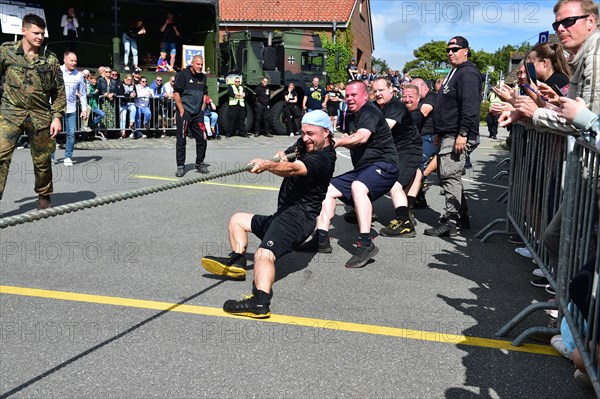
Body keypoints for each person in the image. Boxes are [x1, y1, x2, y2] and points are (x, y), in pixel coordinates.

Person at [200, 110, 336, 318]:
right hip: (282, 215)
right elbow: (288, 155)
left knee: (263, 254)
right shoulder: (305, 143)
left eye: (311, 134)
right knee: (237, 220)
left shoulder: (324, 158)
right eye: (303, 132)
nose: (305, 138)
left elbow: (292, 169)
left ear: (326, 132)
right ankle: (237, 261)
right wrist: (280, 155)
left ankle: (260, 302)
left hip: (298, 219)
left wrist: (267, 165)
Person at [297, 80, 400, 268]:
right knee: (326, 189)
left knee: (357, 187)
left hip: (385, 165)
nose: (350, 98)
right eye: (347, 95)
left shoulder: (369, 111)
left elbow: (361, 137)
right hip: (363, 170)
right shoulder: (351, 116)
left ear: (365, 96)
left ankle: (365, 244)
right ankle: (321, 239)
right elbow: (346, 138)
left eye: (354, 95)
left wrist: (335, 143)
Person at [0, 14, 65, 210]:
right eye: (36, 33)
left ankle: (44, 196)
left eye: (42, 33)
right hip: (10, 113)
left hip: (40, 115)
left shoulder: (50, 59)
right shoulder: (6, 52)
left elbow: (59, 91)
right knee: (0, 156)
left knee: (43, 160)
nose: (40, 37)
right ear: (23, 31)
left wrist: (57, 116)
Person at [424, 36, 482, 237]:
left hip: (458, 133)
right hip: (448, 133)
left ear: (465, 50)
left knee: (449, 175)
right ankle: (461, 216)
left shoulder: (468, 73)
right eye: (448, 49)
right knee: (448, 175)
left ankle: (451, 221)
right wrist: (441, 132)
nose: (450, 52)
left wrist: (463, 133)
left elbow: (470, 105)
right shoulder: (455, 71)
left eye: (455, 49)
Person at [373, 78, 422, 237]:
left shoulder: (396, 106)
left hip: (409, 149)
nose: (378, 94)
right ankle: (359, 207)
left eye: (381, 90)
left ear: (392, 90)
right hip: (393, 149)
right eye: (375, 91)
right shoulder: (376, 107)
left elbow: (385, 129)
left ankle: (405, 223)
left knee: (393, 182)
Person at [173, 55, 209, 177]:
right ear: (192, 64)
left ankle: (199, 163)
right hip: (185, 112)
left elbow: (205, 94)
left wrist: (202, 109)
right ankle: (181, 166)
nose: (200, 66)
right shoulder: (182, 75)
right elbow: (176, 94)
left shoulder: (203, 77)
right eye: (198, 64)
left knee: (203, 138)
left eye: (201, 64)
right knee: (181, 139)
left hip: (197, 113)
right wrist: (182, 110)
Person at [59, 50, 87, 167]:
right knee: (52, 133)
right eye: (72, 60)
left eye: (75, 60)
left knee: (71, 133)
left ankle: (68, 157)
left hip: (71, 109)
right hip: (55, 108)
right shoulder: (57, 71)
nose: (74, 62)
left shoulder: (79, 75)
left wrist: (84, 109)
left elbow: (83, 93)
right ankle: (50, 157)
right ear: (65, 60)